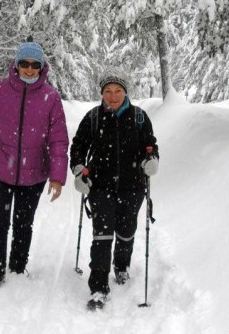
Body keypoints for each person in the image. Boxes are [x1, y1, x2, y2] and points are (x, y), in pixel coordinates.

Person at [0, 41, 69, 284]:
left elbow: (58, 140)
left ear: (42, 67)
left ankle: (18, 269)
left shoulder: (50, 97)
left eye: (35, 65)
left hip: (33, 174)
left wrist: (57, 176)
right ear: (16, 65)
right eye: (24, 64)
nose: (29, 69)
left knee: (24, 224)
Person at [69, 67, 159, 310]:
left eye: (118, 90)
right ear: (102, 93)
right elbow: (77, 147)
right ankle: (98, 286)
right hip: (101, 186)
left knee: (127, 231)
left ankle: (121, 266)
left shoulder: (139, 117)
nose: (112, 95)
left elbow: (150, 145)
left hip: (133, 186)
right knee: (102, 234)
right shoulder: (93, 118)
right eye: (107, 91)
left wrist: (151, 160)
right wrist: (78, 170)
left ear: (125, 92)